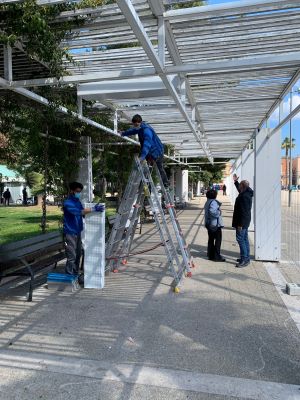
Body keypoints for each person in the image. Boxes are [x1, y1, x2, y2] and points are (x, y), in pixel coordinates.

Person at [63, 182, 105, 279]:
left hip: (77, 232)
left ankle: (75, 274)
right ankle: (69, 277)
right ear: (72, 191)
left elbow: (84, 212)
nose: (79, 193)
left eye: (80, 191)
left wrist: (93, 211)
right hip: (70, 233)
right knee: (72, 256)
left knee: (78, 254)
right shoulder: (67, 203)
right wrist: (93, 209)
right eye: (77, 191)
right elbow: (78, 212)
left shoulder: (77, 201)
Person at [120, 114, 169, 187]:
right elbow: (133, 130)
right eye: (134, 125)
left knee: (159, 168)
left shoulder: (147, 130)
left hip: (157, 151)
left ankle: (166, 183)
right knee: (147, 171)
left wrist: (142, 156)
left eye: (137, 124)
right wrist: (123, 133)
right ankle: (147, 189)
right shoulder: (140, 128)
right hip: (150, 152)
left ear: (140, 122)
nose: (135, 126)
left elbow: (147, 144)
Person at [232, 180, 253, 268]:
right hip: (246, 220)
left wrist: (240, 224)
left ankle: (244, 259)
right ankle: (246, 257)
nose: (239, 188)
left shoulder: (243, 197)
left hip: (242, 221)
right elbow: (240, 190)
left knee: (240, 239)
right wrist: (236, 182)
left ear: (243, 187)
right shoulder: (248, 193)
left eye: (240, 186)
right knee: (244, 239)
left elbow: (243, 211)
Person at [204, 189, 225, 262]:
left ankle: (210, 254)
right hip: (215, 224)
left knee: (211, 239)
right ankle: (216, 256)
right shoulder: (213, 202)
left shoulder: (207, 202)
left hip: (209, 224)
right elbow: (212, 211)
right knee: (218, 240)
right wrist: (219, 213)